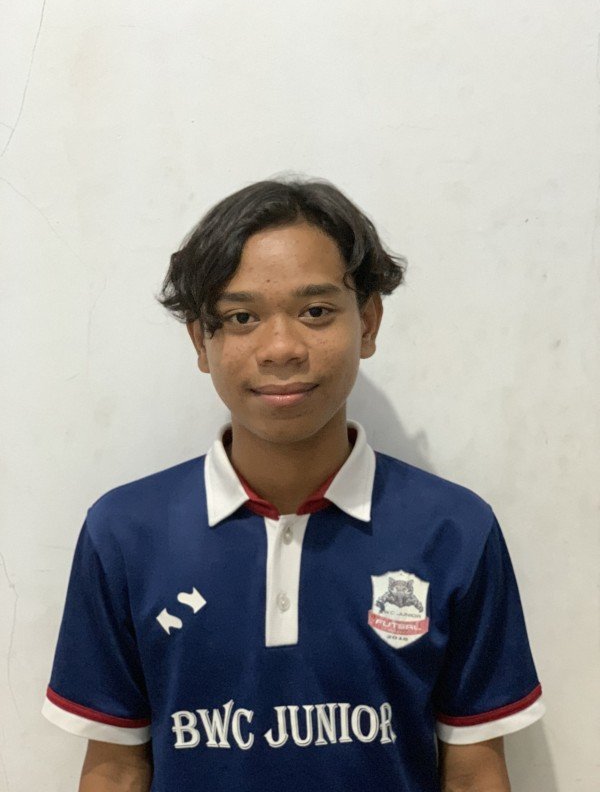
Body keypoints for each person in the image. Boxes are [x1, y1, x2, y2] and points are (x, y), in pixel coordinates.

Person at [42, 177, 544, 792]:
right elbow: (117, 768)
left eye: (315, 312)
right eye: (242, 317)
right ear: (201, 340)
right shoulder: (124, 534)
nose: (281, 348)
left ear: (368, 323)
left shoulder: (454, 531)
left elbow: (472, 772)